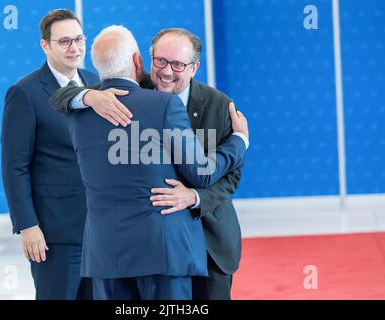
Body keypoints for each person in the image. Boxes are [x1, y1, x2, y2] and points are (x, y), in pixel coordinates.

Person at [50, 28, 246, 300]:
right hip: (159, 247)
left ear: (194, 67)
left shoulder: (219, 105)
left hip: (209, 241)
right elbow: (60, 98)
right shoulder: (120, 92)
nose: (167, 71)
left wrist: (194, 196)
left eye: (178, 64)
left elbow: (231, 176)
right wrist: (87, 97)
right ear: (144, 60)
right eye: (161, 61)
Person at [1, 9, 131, 300]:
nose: (74, 48)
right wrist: (27, 226)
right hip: (54, 233)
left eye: (79, 39)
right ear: (45, 45)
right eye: (64, 42)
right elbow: (14, 166)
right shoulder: (25, 93)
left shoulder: (96, 82)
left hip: (99, 228)